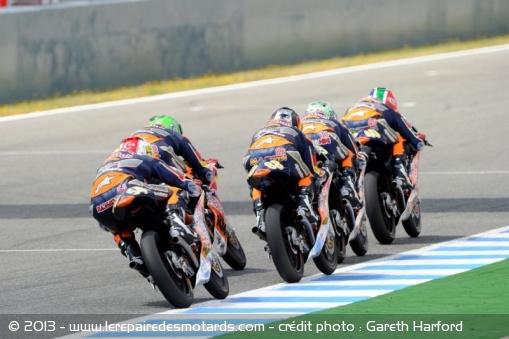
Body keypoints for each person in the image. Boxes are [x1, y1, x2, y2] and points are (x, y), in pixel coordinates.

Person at [89, 136, 201, 277]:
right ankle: (176, 225)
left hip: (97, 207)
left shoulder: (105, 166)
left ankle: (135, 256)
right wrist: (187, 184)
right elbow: (168, 173)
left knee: (119, 231)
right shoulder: (139, 158)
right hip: (124, 190)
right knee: (175, 192)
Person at [242, 107, 319, 239]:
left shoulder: (260, 131)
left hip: (252, 157)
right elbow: (310, 164)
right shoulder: (296, 131)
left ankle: (260, 214)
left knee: (256, 185)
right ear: (297, 122)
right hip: (283, 153)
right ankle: (303, 208)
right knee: (308, 176)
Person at [342, 87, 426, 189]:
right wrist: (417, 142)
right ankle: (399, 170)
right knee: (400, 137)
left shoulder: (352, 108)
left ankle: (349, 182)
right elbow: (404, 128)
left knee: (349, 154)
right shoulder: (384, 108)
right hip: (374, 126)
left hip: (351, 131)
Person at [301, 101, 362, 210]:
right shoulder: (332, 121)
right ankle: (347, 187)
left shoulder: (301, 122)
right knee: (350, 155)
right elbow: (352, 147)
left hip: (306, 142)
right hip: (326, 138)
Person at [130, 115, 214, 185]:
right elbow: (193, 157)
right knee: (183, 177)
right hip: (158, 150)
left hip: (131, 155)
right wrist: (204, 171)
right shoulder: (172, 133)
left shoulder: (137, 131)